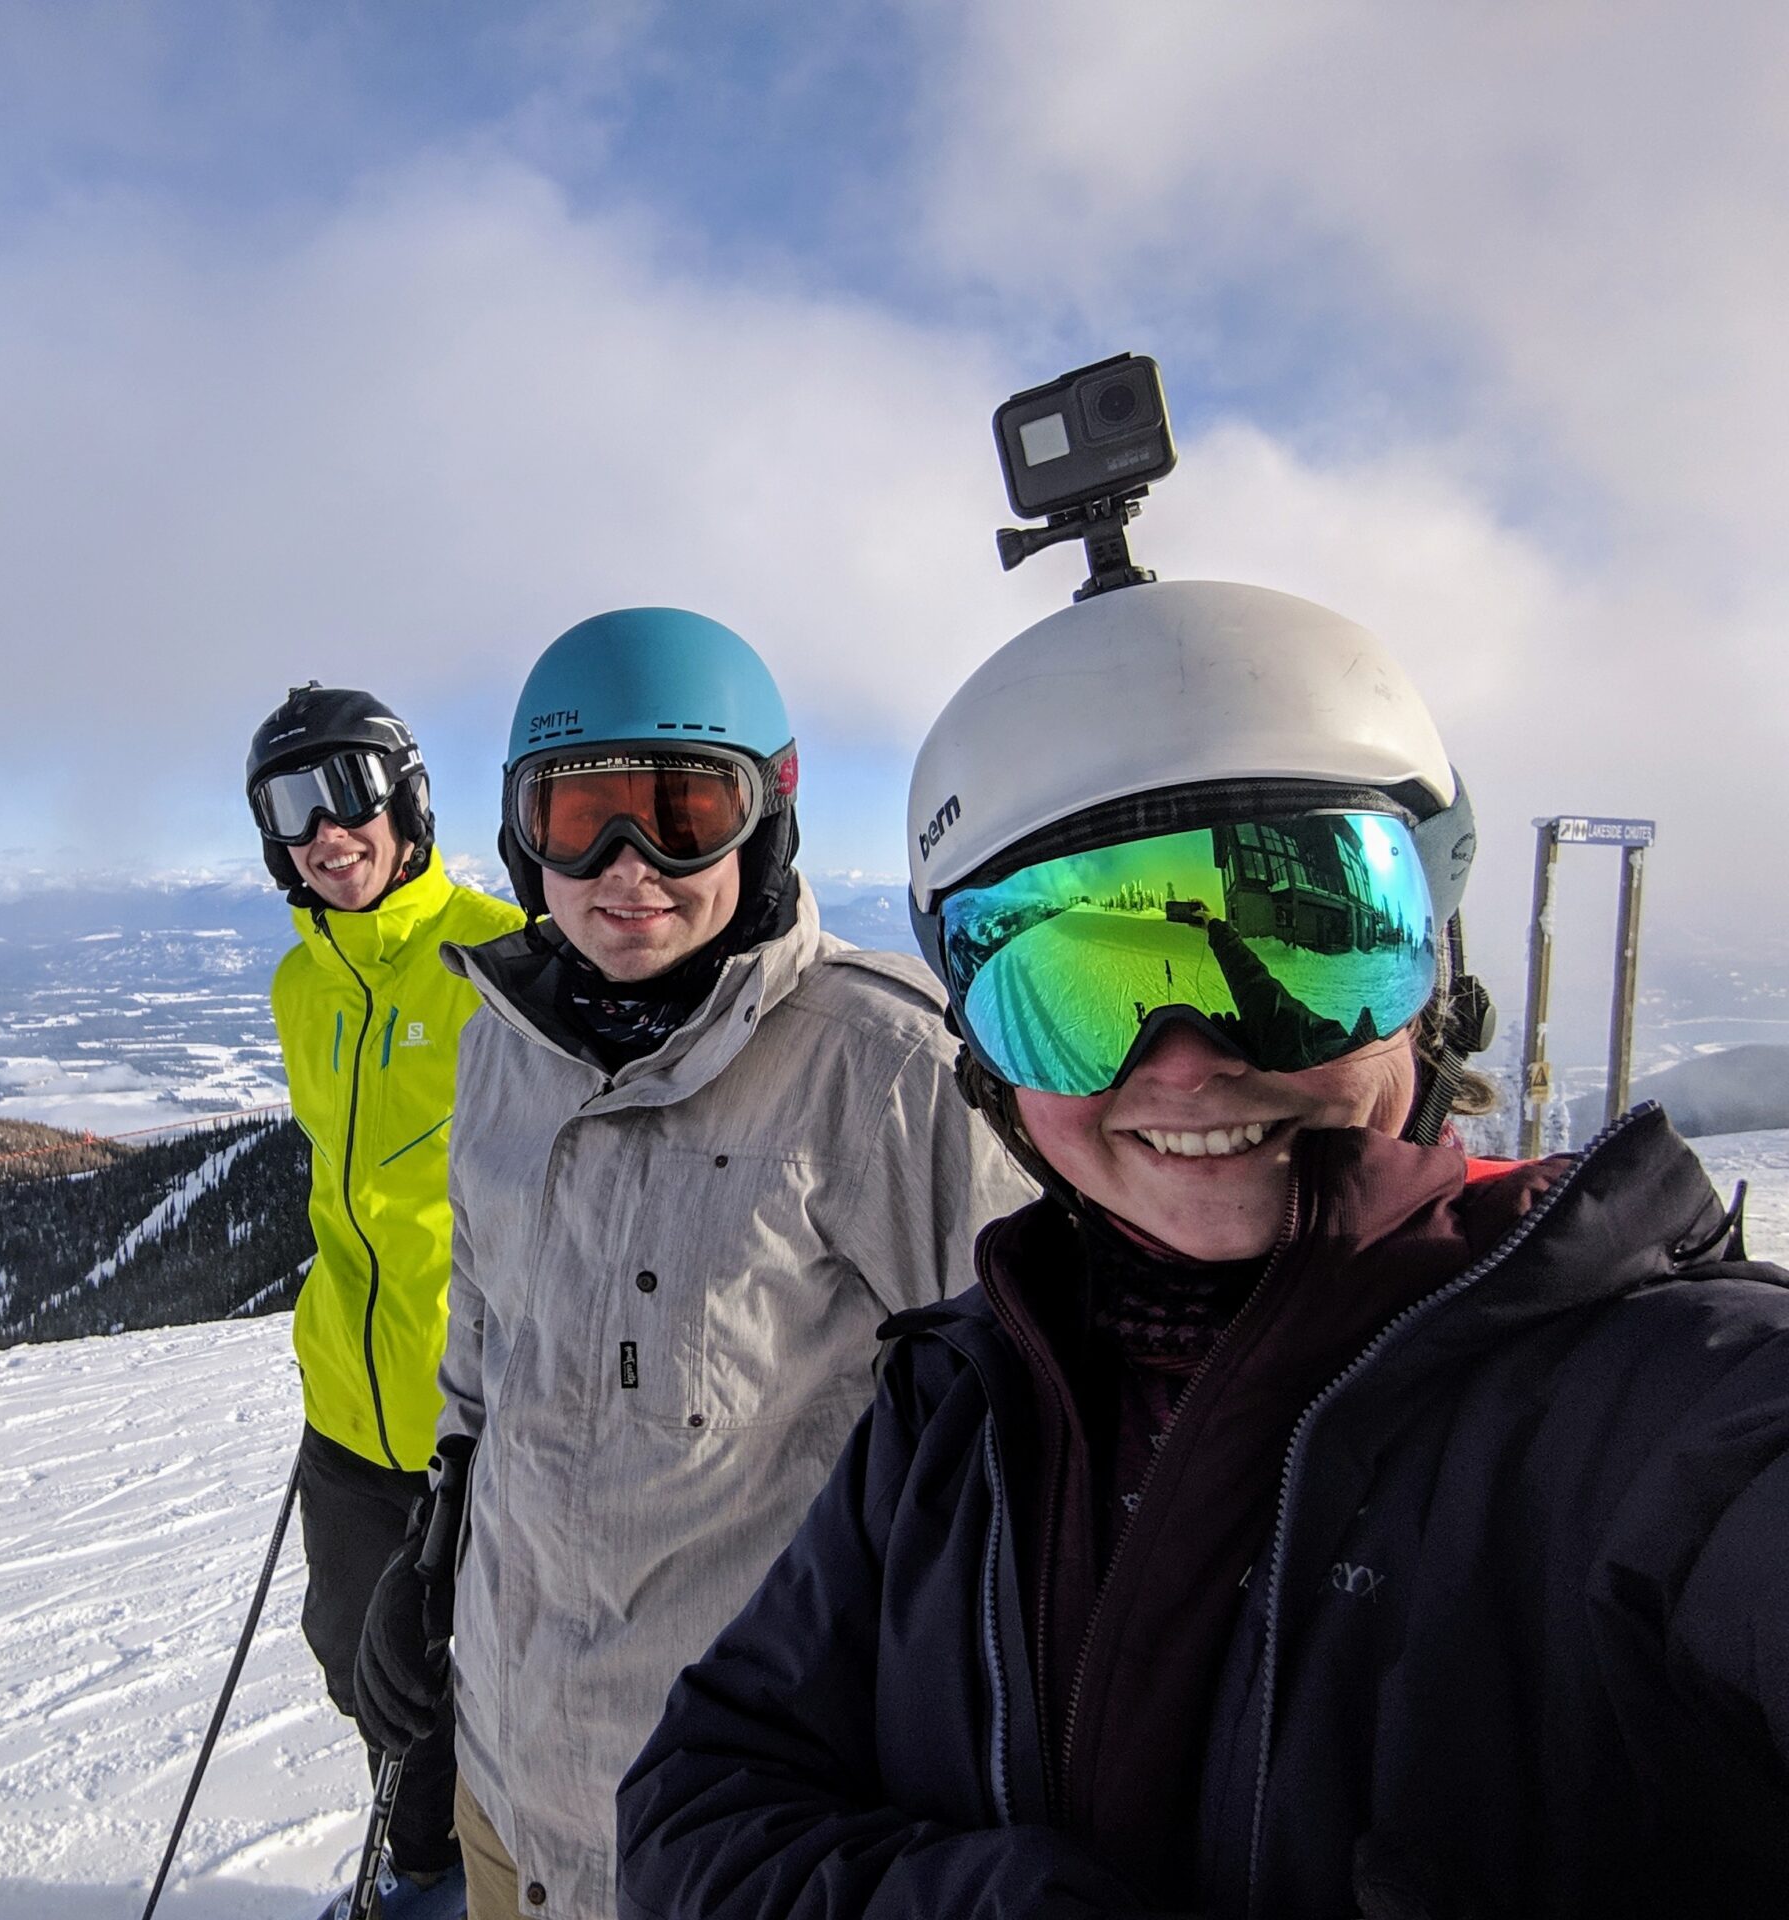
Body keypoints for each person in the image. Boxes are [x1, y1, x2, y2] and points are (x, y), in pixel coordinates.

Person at [616, 579, 1789, 1917]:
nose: (1185, 1065)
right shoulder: (963, 1403)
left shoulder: (1661, 1414)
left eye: (1297, 951)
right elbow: (694, 1809)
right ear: (989, 1068)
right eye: (1075, 987)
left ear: (1428, 992)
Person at [351, 609, 1032, 1920]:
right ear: (519, 831)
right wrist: (437, 1523)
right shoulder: (505, 1042)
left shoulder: (884, 1073)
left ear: (766, 818)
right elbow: (485, 1320)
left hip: (733, 1838)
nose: (628, 867)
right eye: (580, 818)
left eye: (684, 813)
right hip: (513, 1784)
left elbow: (1040, 1427)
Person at [248, 682, 524, 1917]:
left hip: (481, 1420)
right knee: (365, 1670)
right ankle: (421, 1871)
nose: (326, 829)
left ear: (405, 796)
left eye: (348, 788)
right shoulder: (299, 988)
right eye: (291, 804)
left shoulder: (506, 953)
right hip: (348, 1418)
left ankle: (500, 1882)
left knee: (499, 1692)